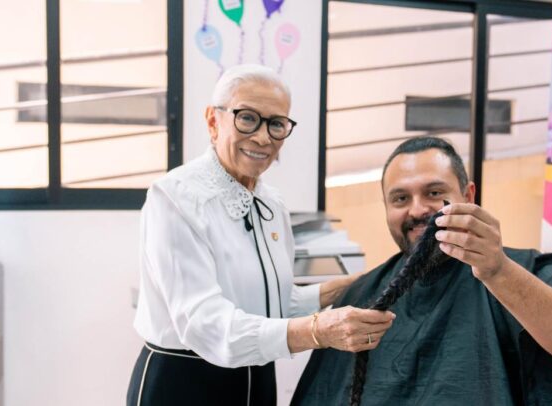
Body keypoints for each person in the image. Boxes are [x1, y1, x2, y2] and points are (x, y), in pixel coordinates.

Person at [126, 64, 395, 406]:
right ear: (213, 121)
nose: (263, 137)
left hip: (258, 381)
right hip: (184, 384)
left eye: (276, 124)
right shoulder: (175, 198)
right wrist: (318, 331)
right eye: (248, 118)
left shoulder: (271, 203)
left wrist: (351, 287)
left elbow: (275, 303)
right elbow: (207, 325)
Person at [292, 137, 552, 405]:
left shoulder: (530, 272)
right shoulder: (361, 296)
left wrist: (498, 272)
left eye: (433, 193)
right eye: (401, 198)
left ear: (468, 196)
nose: (418, 209)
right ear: (386, 208)